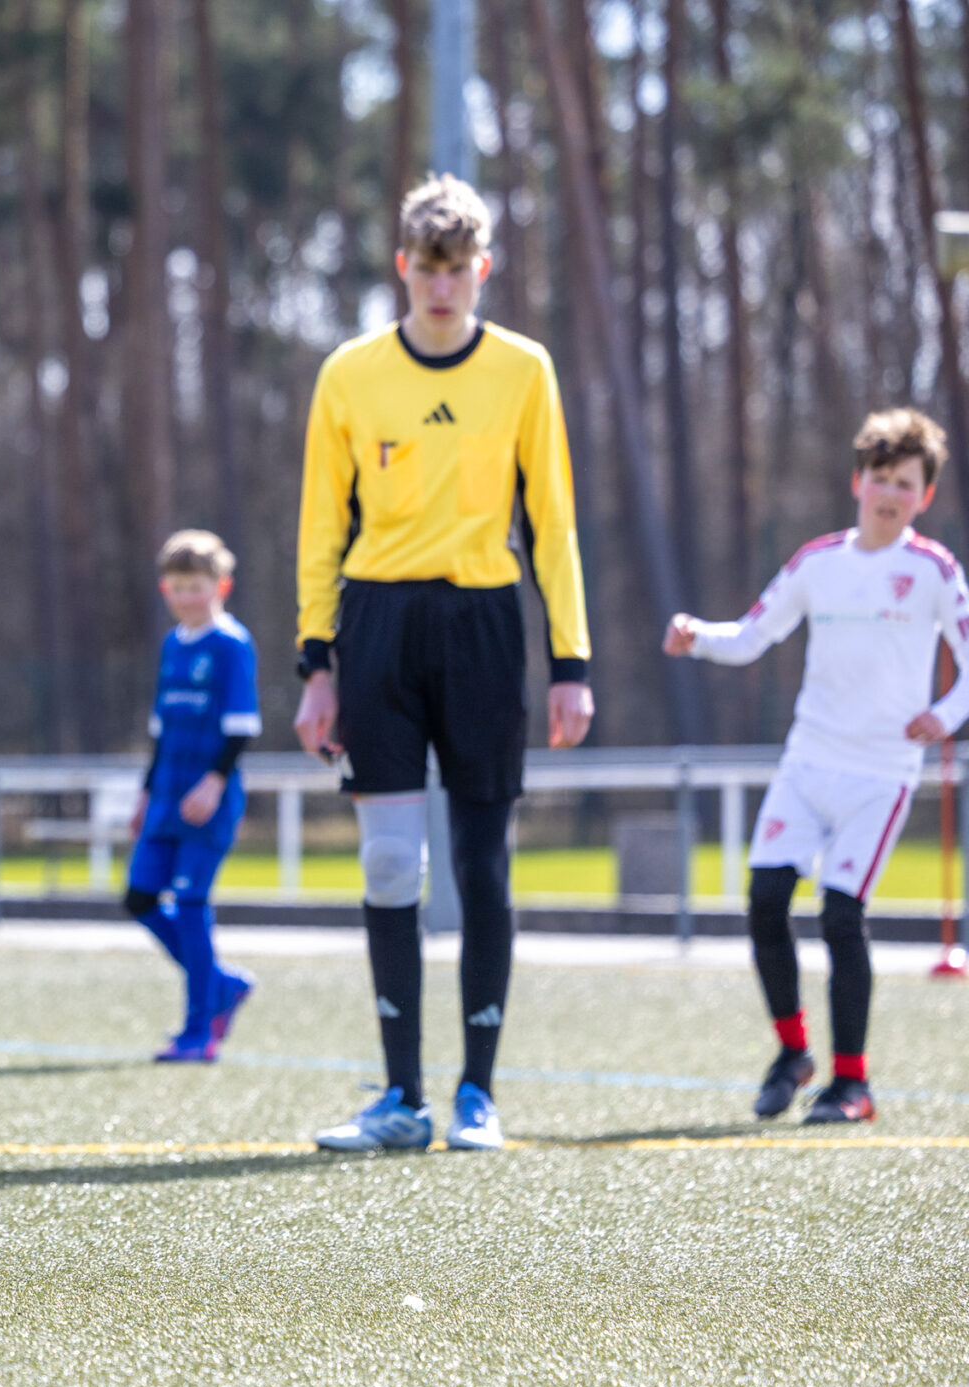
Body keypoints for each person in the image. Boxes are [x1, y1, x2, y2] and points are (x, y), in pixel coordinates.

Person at [291, 174, 595, 1153]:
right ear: (401, 267)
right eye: (427, 268)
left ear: (482, 270)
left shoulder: (523, 369)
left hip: (483, 628)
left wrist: (571, 660)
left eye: (457, 269)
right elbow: (320, 526)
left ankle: (476, 1095)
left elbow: (552, 521)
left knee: (480, 862)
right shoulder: (348, 374)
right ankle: (401, 1097)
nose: (441, 286)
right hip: (376, 628)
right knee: (389, 862)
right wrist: (315, 663)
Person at [663, 408, 969, 1124]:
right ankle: (792, 1052)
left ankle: (852, 1083)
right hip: (808, 764)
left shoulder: (934, 571)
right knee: (765, 900)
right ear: (856, 481)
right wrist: (697, 636)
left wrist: (945, 715)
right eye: (880, 478)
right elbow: (753, 635)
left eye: (906, 483)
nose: (890, 493)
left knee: (840, 914)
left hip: (880, 775)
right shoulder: (816, 563)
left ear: (924, 496)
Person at [126, 529, 261, 1062]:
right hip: (165, 798)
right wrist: (145, 794)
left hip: (208, 801)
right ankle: (221, 984)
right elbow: (160, 731)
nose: (187, 596)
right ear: (166, 589)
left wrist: (213, 781)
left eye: (196, 586)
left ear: (220, 586)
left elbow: (242, 726)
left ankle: (199, 1031)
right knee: (139, 897)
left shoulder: (231, 644)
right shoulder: (172, 645)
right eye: (178, 587)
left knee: (189, 906)